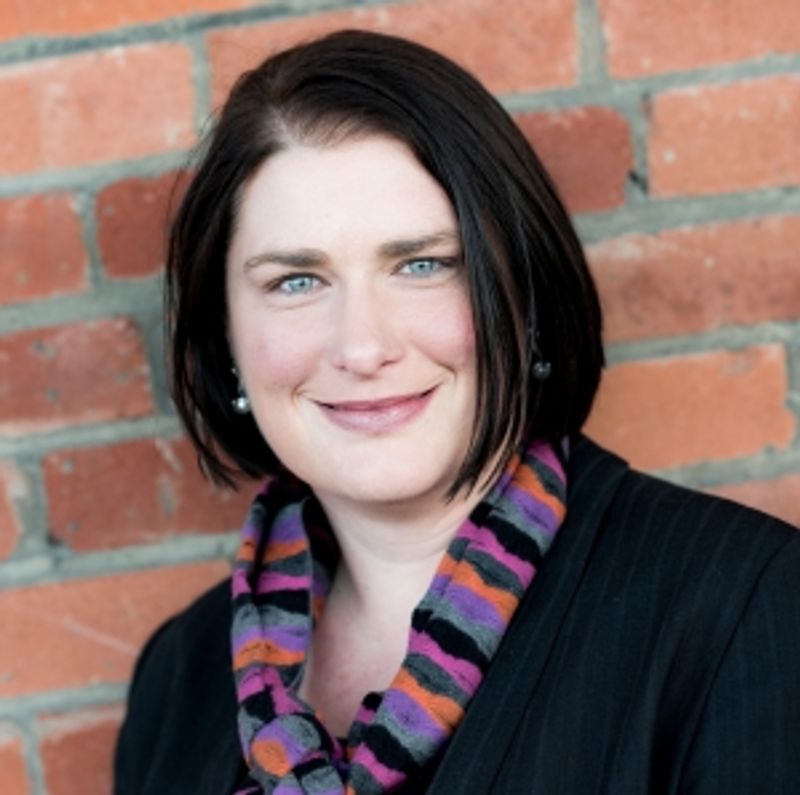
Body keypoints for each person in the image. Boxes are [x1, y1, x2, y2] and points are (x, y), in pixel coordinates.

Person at [114, 30, 800, 795]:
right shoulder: (177, 682)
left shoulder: (745, 608)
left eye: (422, 265)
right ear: (228, 338)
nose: (362, 345)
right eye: (296, 281)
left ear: (524, 299)